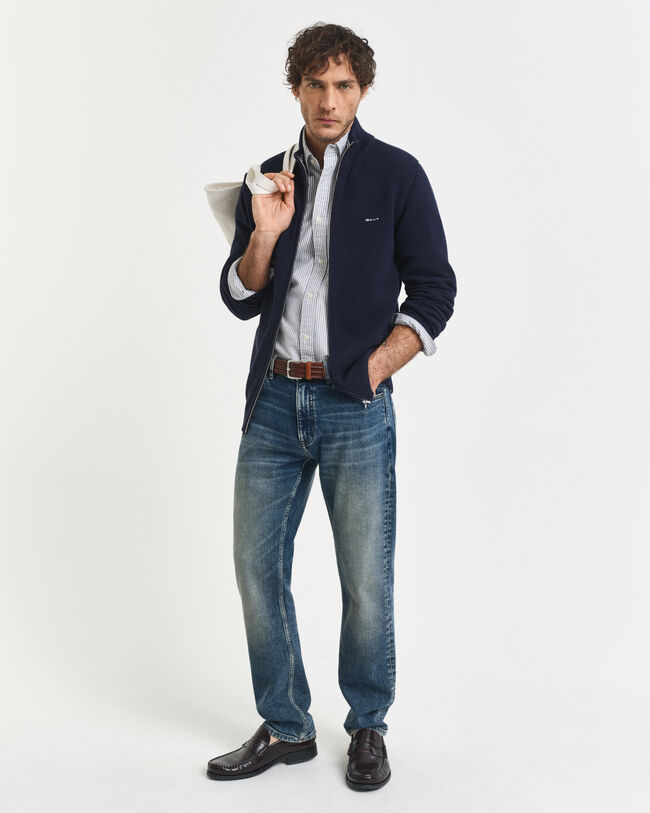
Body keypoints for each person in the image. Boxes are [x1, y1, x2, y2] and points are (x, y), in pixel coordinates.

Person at [206, 22, 456, 791]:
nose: (328, 99)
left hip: (354, 403)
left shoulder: (397, 174)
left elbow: (435, 289)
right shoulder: (269, 177)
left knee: (365, 576)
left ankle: (368, 725)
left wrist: (375, 368)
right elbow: (240, 294)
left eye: (343, 85)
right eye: (315, 84)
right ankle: (287, 725)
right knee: (256, 564)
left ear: (362, 90)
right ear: (296, 88)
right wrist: (264, 235)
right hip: (275, 397)